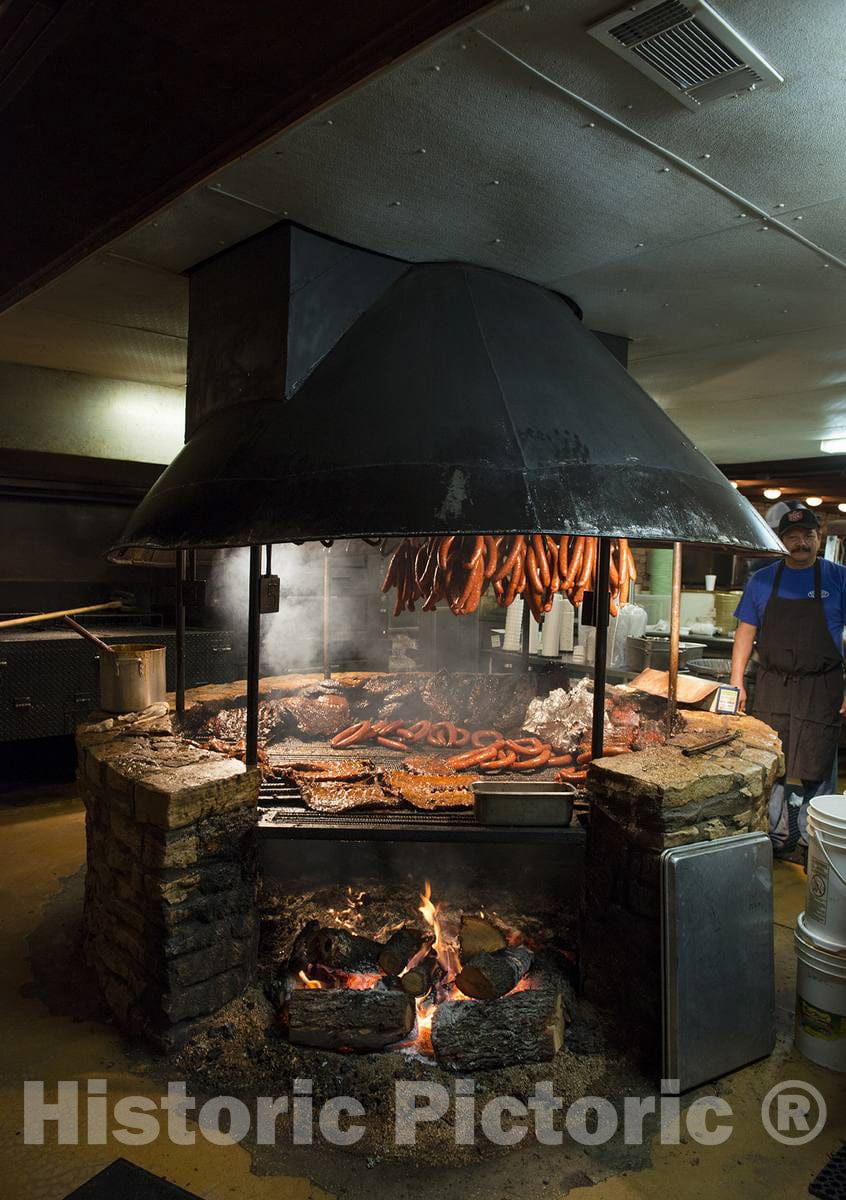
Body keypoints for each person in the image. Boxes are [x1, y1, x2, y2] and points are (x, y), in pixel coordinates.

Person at [730, 504, 846, 861]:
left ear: (818, 538)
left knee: (819, 761)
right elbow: (745, 632)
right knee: (771, 761)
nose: (801, 544)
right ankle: (774, 835)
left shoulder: (838, 577)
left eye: (807, 536)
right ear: (782, 542)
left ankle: (815, 839)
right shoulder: (762, 581)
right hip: (773, 684)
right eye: (793, 537)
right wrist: (736, 682)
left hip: (822, 685)